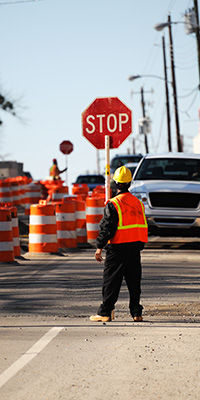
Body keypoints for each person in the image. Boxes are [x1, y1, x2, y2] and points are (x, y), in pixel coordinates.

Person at [90, 166, 148, 323]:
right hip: (134, 248)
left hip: (117, 248)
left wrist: (99, 247)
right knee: (134, 283)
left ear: (115, 183)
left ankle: (105, 313)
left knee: (111, 282)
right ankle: (136, 313)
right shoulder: (138, 203)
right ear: (129, 183)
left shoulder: (113, 204)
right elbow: (141, 224)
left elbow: (106, 228)